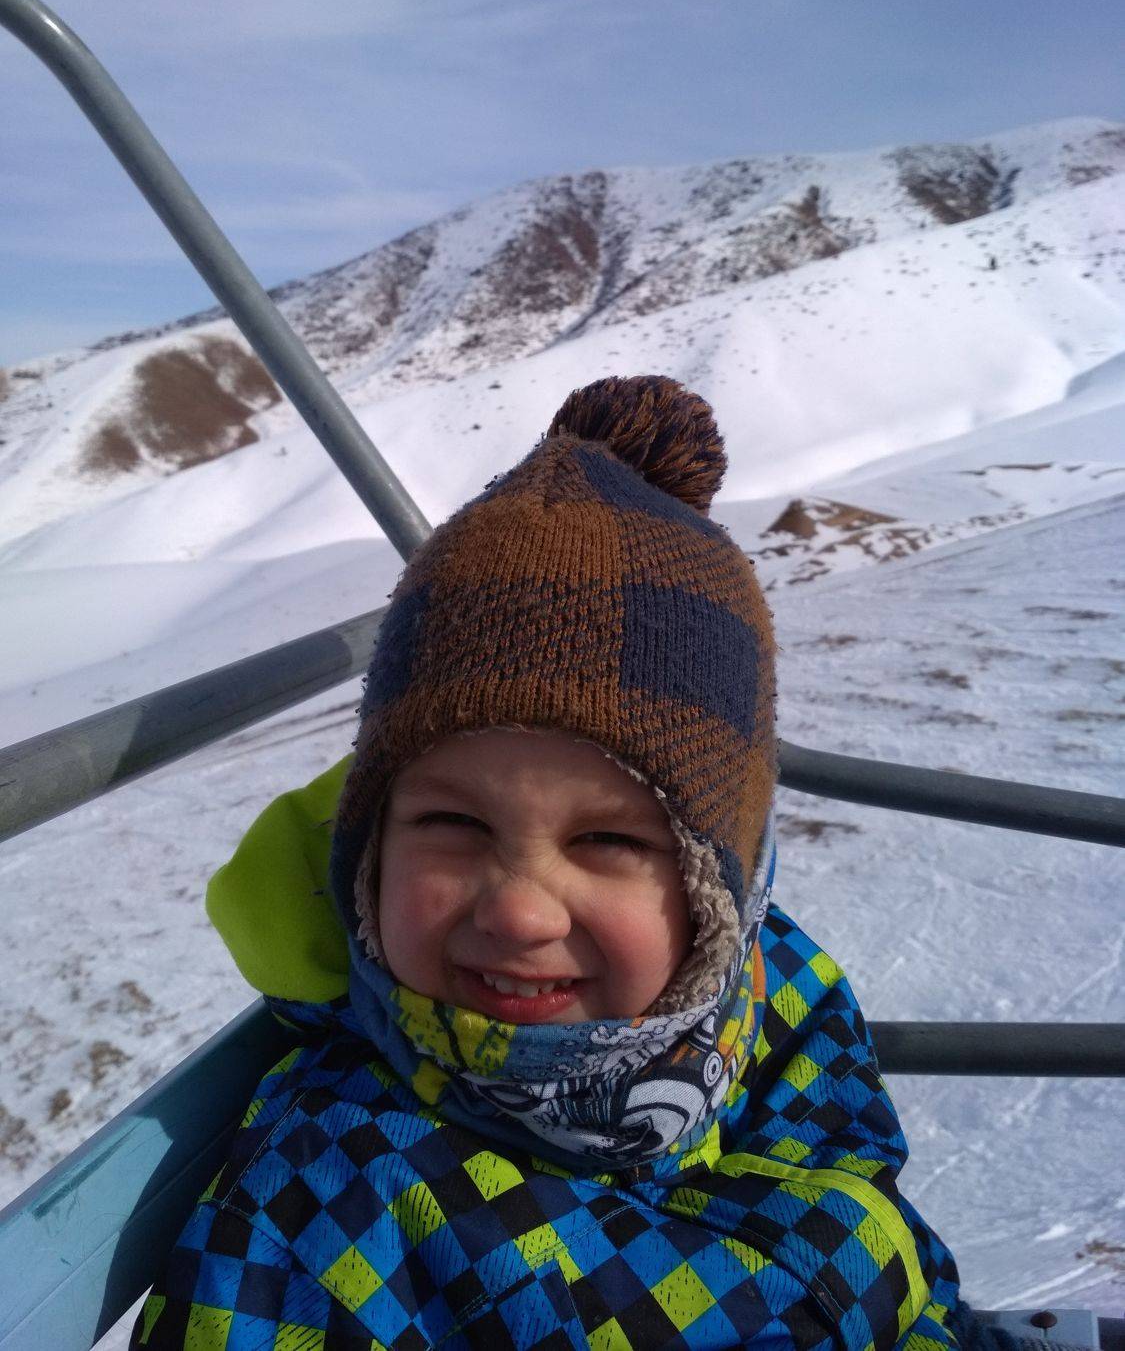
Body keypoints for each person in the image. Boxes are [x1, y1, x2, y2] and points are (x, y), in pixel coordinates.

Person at [131, 376, 1011, 1349]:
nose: (519, 912)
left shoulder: (776, 989)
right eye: (452, 824)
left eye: (608, 840)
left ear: (716, 882)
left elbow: (857, 1175)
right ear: (368, 850)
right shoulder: (328, 1203)